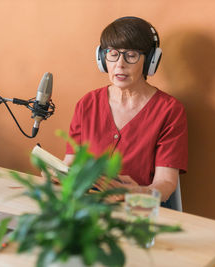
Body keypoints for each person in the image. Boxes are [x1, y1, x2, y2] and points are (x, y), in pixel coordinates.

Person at [64, 16, 188, 204]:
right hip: (85, 209)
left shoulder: (170, 111)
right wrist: (55, 173)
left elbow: (165, 185)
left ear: (150, 61)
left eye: (131, 55)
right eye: (113, 53)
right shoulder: (88, 103)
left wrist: (133, 192)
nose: (120, 64)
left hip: (136, 213)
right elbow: (70, 164)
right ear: (102, 57)